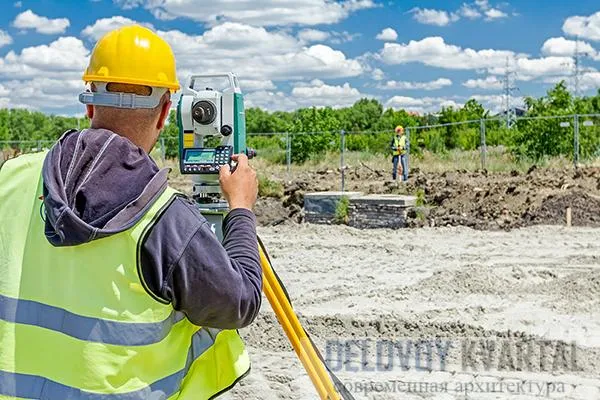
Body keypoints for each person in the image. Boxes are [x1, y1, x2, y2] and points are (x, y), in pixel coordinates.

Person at [0, 25, 262, 399]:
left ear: (89, 103)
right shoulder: (164, 219)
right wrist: (240, 209)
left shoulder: (11, 179)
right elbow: (240, 302)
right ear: (165, 112)